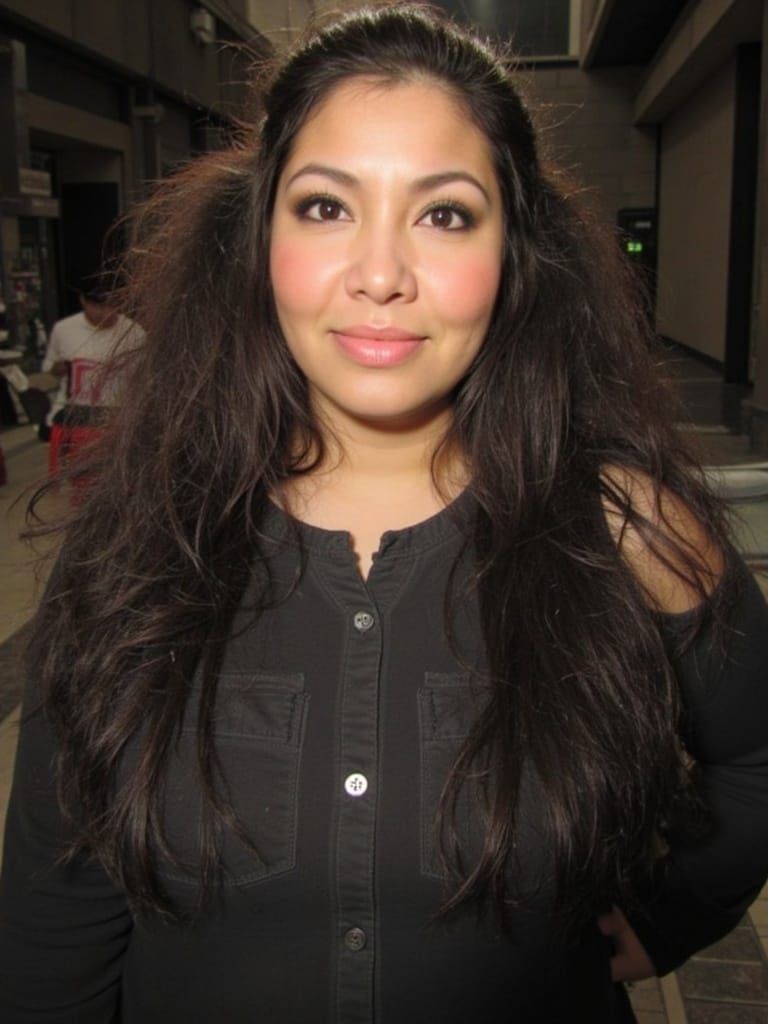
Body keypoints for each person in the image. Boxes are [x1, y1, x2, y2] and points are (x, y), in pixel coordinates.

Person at [1, 4, 767, 1021]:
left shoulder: (624, 530)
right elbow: (56, 911)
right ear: (259, 234)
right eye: (326, 207)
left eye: (444, 214)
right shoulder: (138, 542)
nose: (379, 275)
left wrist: (675, 910)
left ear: (515, 253)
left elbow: (756, 755)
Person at [41, 288, 144, 434]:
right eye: (98, 306)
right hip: (73, 417)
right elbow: (50, 368)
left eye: (112, 305)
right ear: (83, 300)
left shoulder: (134, 332)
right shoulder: (63, 329)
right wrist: (66, 366)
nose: (106, 313)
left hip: (115, 418)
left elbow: (144, 379)